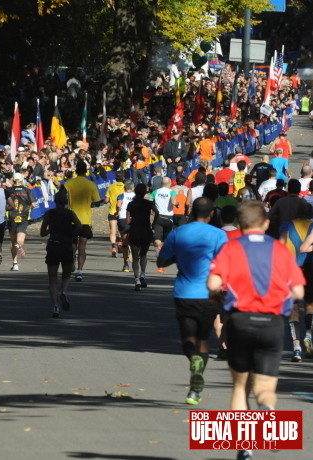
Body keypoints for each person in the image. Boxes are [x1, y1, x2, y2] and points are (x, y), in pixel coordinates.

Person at [207, 201, 304, 460]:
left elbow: (213, 282)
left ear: (238, 225)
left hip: (240, 321)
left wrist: (217, 297)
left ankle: (245, 448)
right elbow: (298, 291)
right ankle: (267, 408)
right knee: (264, 386)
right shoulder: (280, 250)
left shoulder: (231, 248)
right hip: (272, 324)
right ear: (266, 223)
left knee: (240, 387)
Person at [157, 197, 228, 406]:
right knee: (203, 340)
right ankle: (195, 388)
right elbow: (225, 264)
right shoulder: (219, 235)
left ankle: (193, 362)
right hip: (210, 294)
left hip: (184, 294)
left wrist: (177, 257)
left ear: (191, 212)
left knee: (188, 339)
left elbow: (162, 261)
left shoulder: (178, 233)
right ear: (212, 214)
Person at [40, 189, 82, 318]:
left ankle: (55, 307)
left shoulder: (49, 213)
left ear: (55, 201)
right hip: (66, 246)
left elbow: (42, 232)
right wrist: (71, 233)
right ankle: (63, 291)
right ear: (66, 202)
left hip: (53, 245)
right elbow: (79, 226)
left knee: (52, 280)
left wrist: (50, 231)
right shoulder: (70, 213)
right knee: (66, 275)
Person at [280, 201, 313, 362]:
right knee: (309, 304)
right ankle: (309, 335)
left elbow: (280, 245)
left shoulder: (287, 225)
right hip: (310, 267)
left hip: (292, 269)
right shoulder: (312, 226)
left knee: (294, 306)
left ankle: (296, 346)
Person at [64, 161, 101, 281]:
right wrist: (90, 204)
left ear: (75, 171)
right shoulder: (91, 184)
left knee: (72, 245)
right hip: (85, 220)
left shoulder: (68, 183)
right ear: (86, 171)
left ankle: (71, 262)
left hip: (71, 220)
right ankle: (80, 271)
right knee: (82, 247)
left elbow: (62, 198)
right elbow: (97, 202)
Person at [127, 184, 154, 291]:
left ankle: (137, 279)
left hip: (135, 231)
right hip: (146, 230)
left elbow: (127, 221)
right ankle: (143, 274)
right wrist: (154, 223)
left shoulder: (131, 204)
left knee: (135, 257)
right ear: (145, 193)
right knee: (143, 254)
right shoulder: (149, 204)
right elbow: (157, 212)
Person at [6, 172, 35, 271]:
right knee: (20, 238)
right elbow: (34, 204)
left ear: (12, 180)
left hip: (11, 216)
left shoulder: (8, 190)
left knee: (12, 240)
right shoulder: (27, 190)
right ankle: (19, 246)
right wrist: (28, 209)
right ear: (22, 180)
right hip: (23, 216)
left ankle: (15, 263)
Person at [116, 180, 136, 272]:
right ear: (133, 188)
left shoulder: (121, 195)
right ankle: (135, 263)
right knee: (134, 241)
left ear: (124, 188)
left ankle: (126, 264)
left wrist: (118, 211)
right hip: (134, 219)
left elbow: (118, 204)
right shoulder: (136, 196)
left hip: (123, 218)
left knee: (125, 242)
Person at [104, 171, 125, 257]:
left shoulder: (111, 187)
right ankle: (120, 242)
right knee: (121, 230)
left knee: (113, 230)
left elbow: (106, 200)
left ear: (115, 179)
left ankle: (113, 247)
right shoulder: (125, 187)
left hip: (112, 211)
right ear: (123, 178)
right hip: (121, 212)